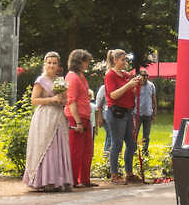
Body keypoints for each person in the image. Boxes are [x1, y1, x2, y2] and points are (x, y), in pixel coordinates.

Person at [23, 52, 73, 191]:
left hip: (58, 116)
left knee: (59, 147)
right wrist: (51, 99)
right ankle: (45, 180)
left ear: (58, 65)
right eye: (49, 62)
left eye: (54, 63)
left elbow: (64, 100)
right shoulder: (41, 80)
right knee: (46, 147)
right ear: (45, 64)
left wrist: (63, 99)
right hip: (44, 117)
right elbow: (34, 100)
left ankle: (59, 180)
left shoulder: (60, 80)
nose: (51, 65)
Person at [102, 50, 144, 184]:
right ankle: (114, 174)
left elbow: (133, 94)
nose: (125, 62)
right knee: (117, 144)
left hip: (127, 112)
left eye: (126, 60)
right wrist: (129, 85)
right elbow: (113, 95)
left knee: (131, 144)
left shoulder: (126, 75)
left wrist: (137, 85)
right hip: (116, 113)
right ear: (115, 60)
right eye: (122, 60)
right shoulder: (110, 75)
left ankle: (129, 173)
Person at [62, 49, 97, 188]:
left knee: (87, 150)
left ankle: (85, 179)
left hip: (85, 116)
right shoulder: (72, 77)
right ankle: (73, 179)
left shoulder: (80, 75)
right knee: (76, 150)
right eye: (86, 61)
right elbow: (71, 101)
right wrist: (77, 122)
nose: (87, 64)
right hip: (76, 118)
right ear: (79, 62)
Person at [137, 72, 156, 151]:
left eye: (146, 76)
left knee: (146, 135)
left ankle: (145, 151)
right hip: (137, 113)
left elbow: (154, 99)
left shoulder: (151, 85)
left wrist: (154, 113)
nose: (145, 77)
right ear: (139, 76)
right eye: (143, 75)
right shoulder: (136, 84)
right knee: (135, 134)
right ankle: (133, 150)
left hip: (148, 113)